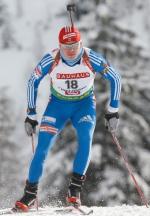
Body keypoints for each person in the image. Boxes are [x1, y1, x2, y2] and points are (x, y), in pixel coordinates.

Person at [14, 25, 121, 212]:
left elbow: (115, 78)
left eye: (75, 47)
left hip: (84, 105)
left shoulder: (90, 57)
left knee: (86, 140)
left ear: (81, 44)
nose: (71, 52)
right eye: (66, 47)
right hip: (57, 106)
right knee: (43, 146)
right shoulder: (52, 58)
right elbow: (33, 80)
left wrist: (113, 110)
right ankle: (30, 194)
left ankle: (75, 190)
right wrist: (31, 114)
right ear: (59, 46)